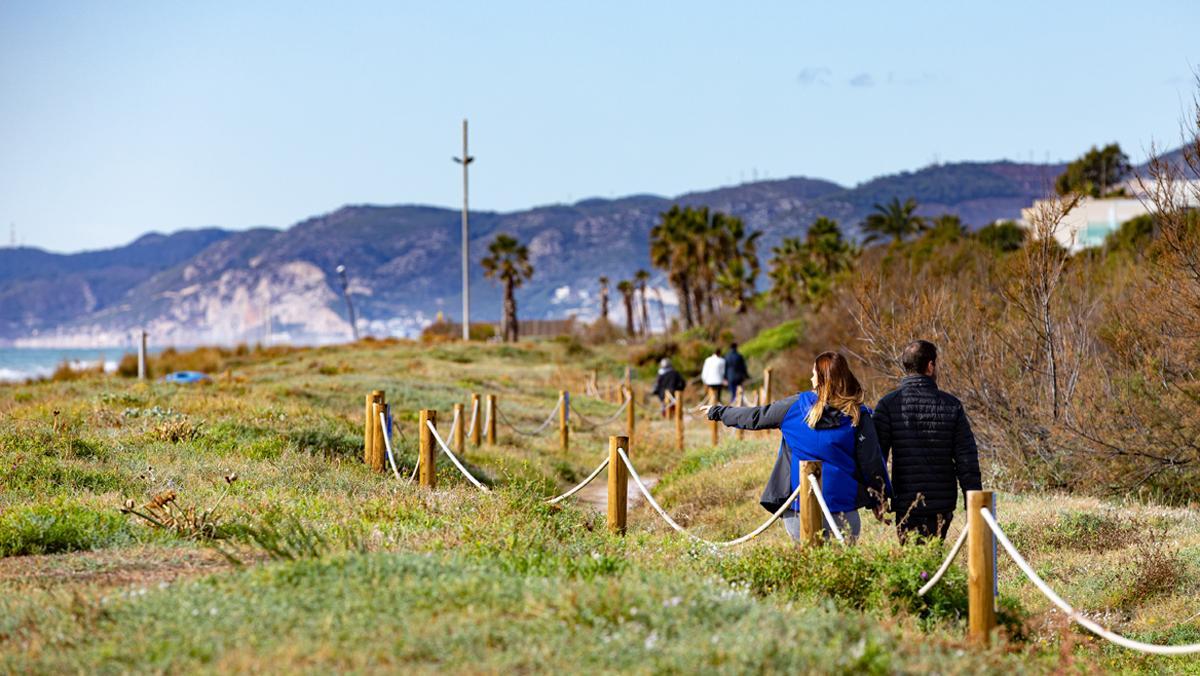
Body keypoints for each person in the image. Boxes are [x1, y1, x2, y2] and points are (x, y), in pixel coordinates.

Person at [704, 351, 891, 543]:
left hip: (799, 510)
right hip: (844, 510)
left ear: (820, 379)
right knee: (840, 569)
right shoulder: (859, 415)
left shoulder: (793, 407)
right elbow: (872, 461)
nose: (810, 377)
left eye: (813, 373)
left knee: (806, 567)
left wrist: (718, 411)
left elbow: (755, 417)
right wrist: (879, 499)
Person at [873, 340, 981, 543]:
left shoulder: (888, 405)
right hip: (942, 502)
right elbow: (966, 459)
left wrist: (878, 499)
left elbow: (876, 456)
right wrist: (973, 501)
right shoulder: (951, 405)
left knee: (914, 563)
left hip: (907, 502)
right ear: (930, 366)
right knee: (934, 559)